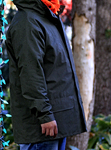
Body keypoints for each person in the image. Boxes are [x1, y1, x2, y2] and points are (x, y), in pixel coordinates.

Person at [5, 0, 87, 149]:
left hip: (55, 125)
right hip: (41, 129)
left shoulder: (47, 16)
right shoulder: (27, 22)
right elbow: (30, 74)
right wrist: (44, 114)